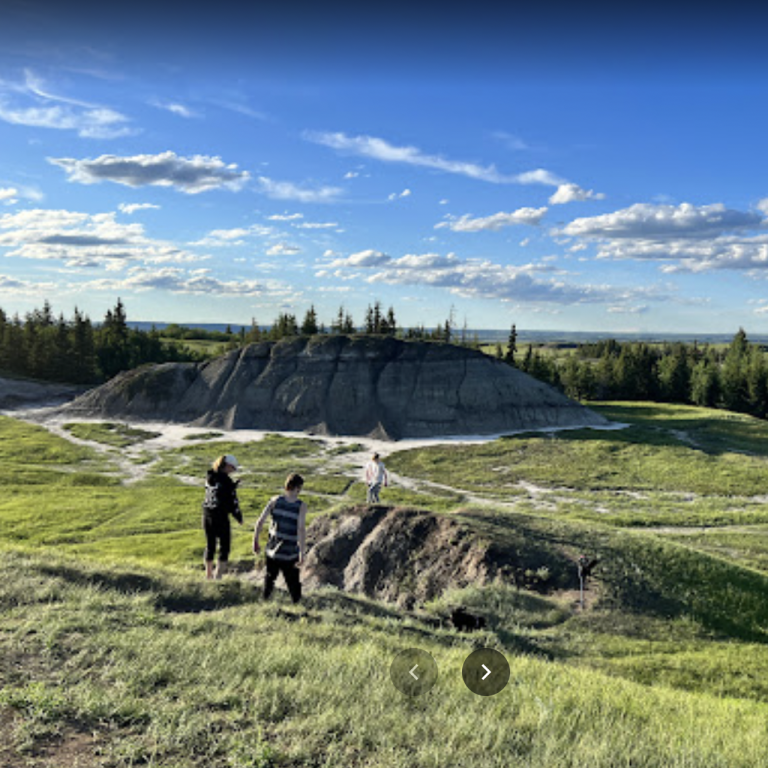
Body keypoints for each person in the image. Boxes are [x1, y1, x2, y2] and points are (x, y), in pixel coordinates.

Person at [253, 473, 307, 604]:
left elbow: (260, 522)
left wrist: (255, 541)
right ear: (298, 488)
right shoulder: (301, 506)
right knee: (293, 581)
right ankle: (297, 605)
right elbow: (300, 529)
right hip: (289, 551)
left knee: (269, 578)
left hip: (272, 550)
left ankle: (264, 602)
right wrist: (302, 552)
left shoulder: (275, 500)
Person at [202, 454, 243, 580]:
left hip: (207, 515)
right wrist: (238, 516)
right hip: (220, 517)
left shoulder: (210, 477)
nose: (233, 471)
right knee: (224, 546)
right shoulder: (226, 482)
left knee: (210, 545)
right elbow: (231, 503)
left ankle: (208, 575)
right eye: (233, 468)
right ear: (227, 466)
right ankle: (218, 576)